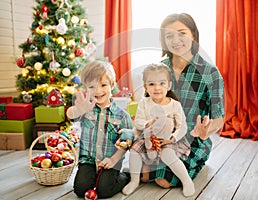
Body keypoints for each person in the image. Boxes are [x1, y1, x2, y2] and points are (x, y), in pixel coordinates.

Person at [141, 13, 225, 191]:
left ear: (193, 35)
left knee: (163, 181)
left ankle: (198, 160)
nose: (176, 40)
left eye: (182, 33)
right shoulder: (159, 69)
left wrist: (205, 131)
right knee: (142, 174)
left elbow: (219, 117)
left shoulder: (210, 73)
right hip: (161, 138)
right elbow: (148, 105)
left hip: (192, 139)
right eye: (169, 35)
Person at [122, 63, 195, 197]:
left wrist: (172, 138)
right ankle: (134, 180)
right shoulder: (144, 102)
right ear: (145, 87)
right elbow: (137, 121)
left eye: (162, 83)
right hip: (147, 138)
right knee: (134, 151)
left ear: (169, 85)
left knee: (168, 155)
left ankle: (186, 180)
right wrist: (146, 124)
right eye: (151, 84)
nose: (157, 88)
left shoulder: (174, 105)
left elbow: (182, 126)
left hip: (167, 140)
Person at [66, 60, 134, 198]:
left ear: (112, 85)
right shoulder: (86, 110)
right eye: (92, 86)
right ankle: (93, 175)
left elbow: (125, 143)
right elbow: (70, 115)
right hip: (88, 160)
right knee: (80, 189)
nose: (98, 91)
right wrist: (79, 109)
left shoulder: (122, 116)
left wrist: (114, 160)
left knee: (104, 191)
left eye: (103, 85)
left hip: (110, 161)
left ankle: (125, 176)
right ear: (86, 87)